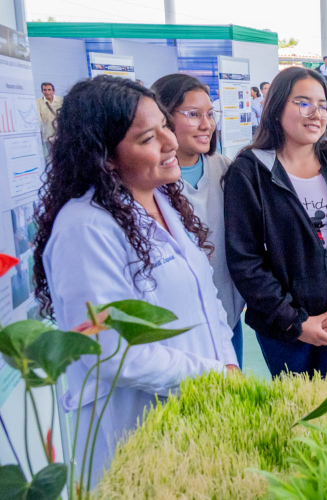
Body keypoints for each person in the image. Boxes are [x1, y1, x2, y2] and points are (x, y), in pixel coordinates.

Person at [35, 76, 239, 484]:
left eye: (165, 125)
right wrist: (215, 377)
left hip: (199, 411)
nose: (169, 142)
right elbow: (108, 351)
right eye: (148, 137)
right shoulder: (86, 228)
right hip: (137, 426)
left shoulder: (165, 201)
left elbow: (208, 299)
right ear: (106, 156)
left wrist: (228, 366)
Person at [224, 67, 327, 378]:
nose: (317, 113)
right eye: (303, 103)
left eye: (322, 104)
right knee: (300, 415)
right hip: (282, 327)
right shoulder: (250, 171)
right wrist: (293, 322)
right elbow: (245, 260)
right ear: (277, 106)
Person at [151, 73, 246, 366]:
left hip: (225, 320)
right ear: (162, 117)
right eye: (193, 115)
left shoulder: (225, 170)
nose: (206, 124)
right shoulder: (148, 181)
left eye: (209, 114)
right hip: (176, 332)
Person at [37, 82, 63, 153]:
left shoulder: (61, 100)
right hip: (49, 137)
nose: (47, 92)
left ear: (53, 91)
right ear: (42, 91)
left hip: (61, 135)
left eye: (49, 90)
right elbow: (38, 119)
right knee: (52, 158)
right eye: (44, 90)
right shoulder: (38, 102)